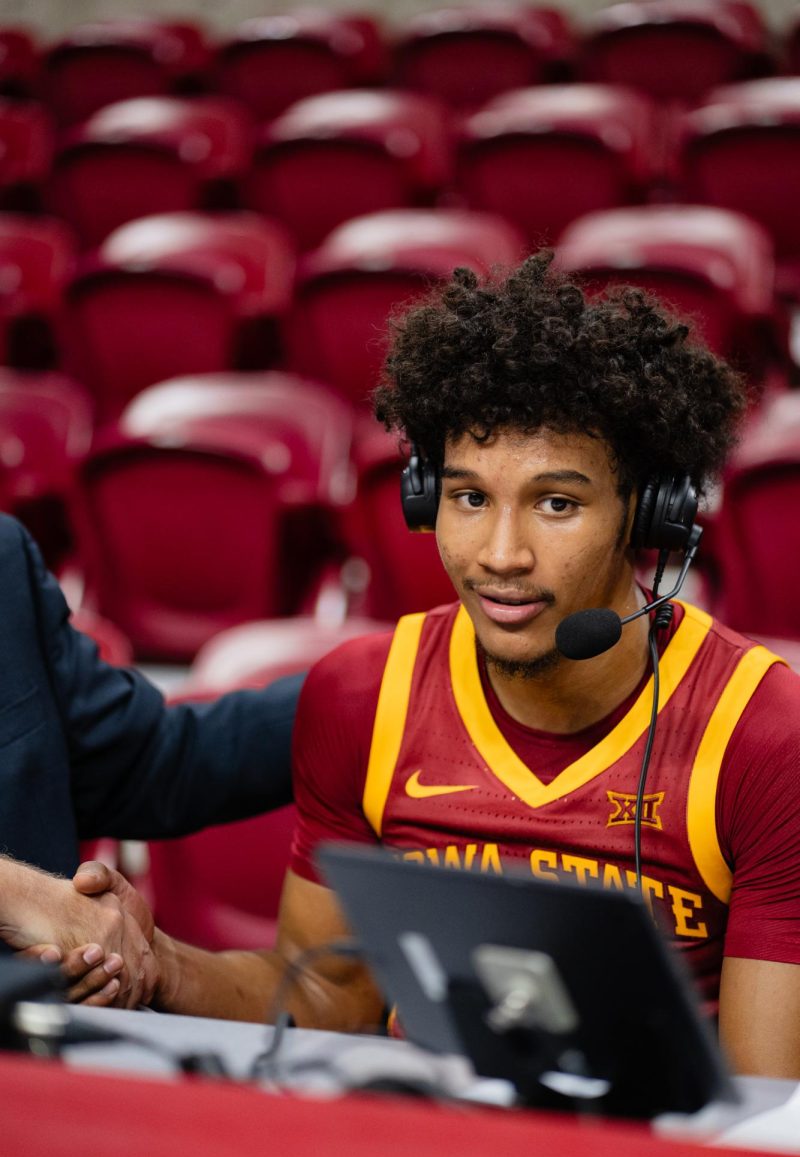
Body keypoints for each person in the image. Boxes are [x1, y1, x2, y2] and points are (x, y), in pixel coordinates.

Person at [64, 253, 800, 1076]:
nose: (502, 555)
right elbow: (329, 999)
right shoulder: (360, 697)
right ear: (425, 500)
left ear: (648, 514)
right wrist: (160, 961)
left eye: (557, 503)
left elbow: (764, 1103)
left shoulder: (765, 737)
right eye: (469, 497)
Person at [0, 512, 301, 1005]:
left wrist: (373, 688)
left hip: (50, 1045)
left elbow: (146, 761)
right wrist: (18, 893)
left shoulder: (3, 556)